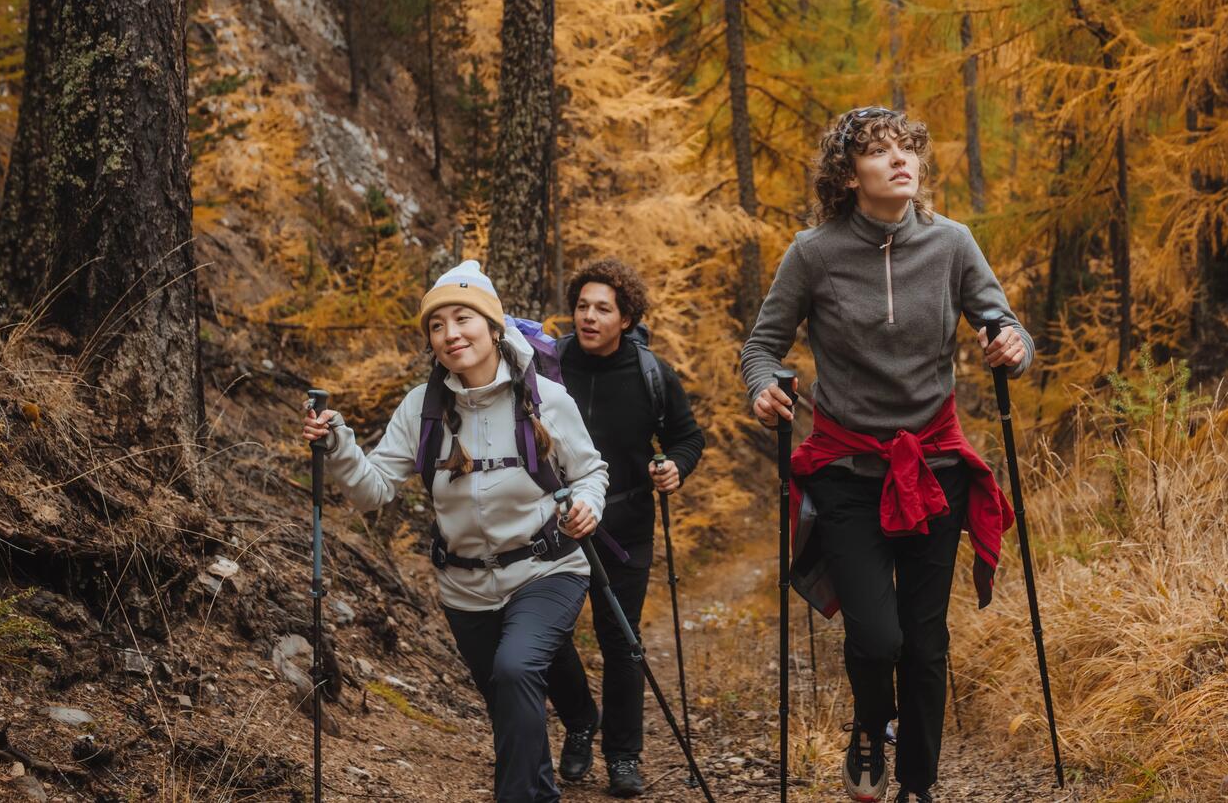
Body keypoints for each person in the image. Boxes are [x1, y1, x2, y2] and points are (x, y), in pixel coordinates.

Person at [739, 107, 1032, 803]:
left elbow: (1005, 325)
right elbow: (762, 347)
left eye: (908, 148)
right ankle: (870, 725)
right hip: (847, 474)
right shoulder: (813, 253)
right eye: (879, 151)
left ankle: (917, 786)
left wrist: (1010, 346)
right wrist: (764, 387)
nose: (901, 160)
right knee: (876, 639)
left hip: (934, 468)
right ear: (848, 175)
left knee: (926, 643)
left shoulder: (952, 243)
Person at [301, 261, 608, 803]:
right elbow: (374, 490)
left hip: (548, 569)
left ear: (493, 327)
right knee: (507, 704)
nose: (450, 334)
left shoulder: (545, 399)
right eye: (437, 325)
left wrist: (586, 505)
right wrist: (339, 445)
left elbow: (590, 472)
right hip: (465, 589)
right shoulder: (421, 409)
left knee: (515, 671)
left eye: (463, 318)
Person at [545, 260, 706, 797]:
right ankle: (579, 722)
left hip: (625, 525)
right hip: (553, 524)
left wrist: (674, 466)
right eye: (581, 306)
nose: (588, 317)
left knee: (621, 640)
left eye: (602, 309)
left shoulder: (650, 373)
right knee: (548, 635)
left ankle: (622, 756)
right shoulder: (548, 365)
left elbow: (687, 437)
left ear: (627, 318)